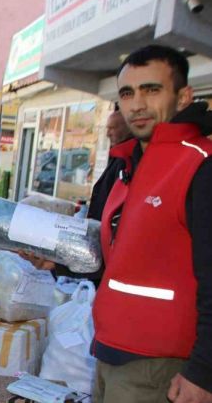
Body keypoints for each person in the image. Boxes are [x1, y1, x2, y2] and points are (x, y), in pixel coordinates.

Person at [88, 45, 212, 403]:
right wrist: (58, 260)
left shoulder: (200, 166)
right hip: (110, 352)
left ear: (184, 96)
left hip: (160, 367)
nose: (137, 104)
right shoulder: (129, 164)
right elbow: (123, 259)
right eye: (128, 93)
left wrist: (203, 372)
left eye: (151, 90)